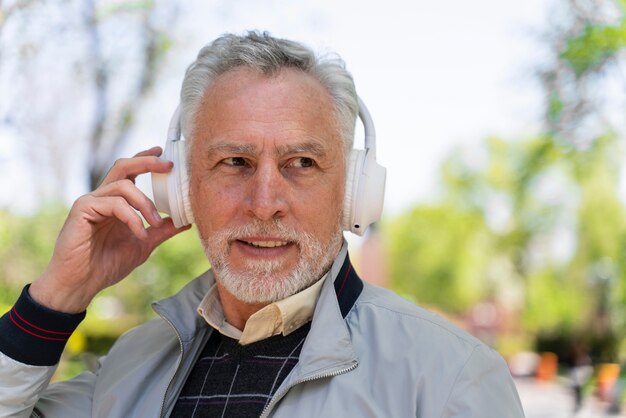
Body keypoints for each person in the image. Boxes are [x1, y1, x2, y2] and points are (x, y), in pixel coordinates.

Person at [0, 31, 525, 417]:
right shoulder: (124, 371)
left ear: (353, 190)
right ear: (181, 189)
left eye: (302, 164)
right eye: (235, 163)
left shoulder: (449, 380)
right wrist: (57, 295)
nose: (265, 202)